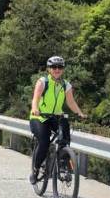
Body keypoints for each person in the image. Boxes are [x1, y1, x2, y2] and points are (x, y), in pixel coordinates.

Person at [29, 56, 86, 184]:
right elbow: (35, 99)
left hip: (56, 116)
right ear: (49, 69)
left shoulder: (66, 85)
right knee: (44, 141)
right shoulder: (43, 82)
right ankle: (36, 169)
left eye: (60, 67)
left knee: (65, 137)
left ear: (63, 69)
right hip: (39, 117)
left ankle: (63, 165)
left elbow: (71, 102)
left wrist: (80, 113)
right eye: (54, 67)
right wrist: (34, 109)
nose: (57, 69)